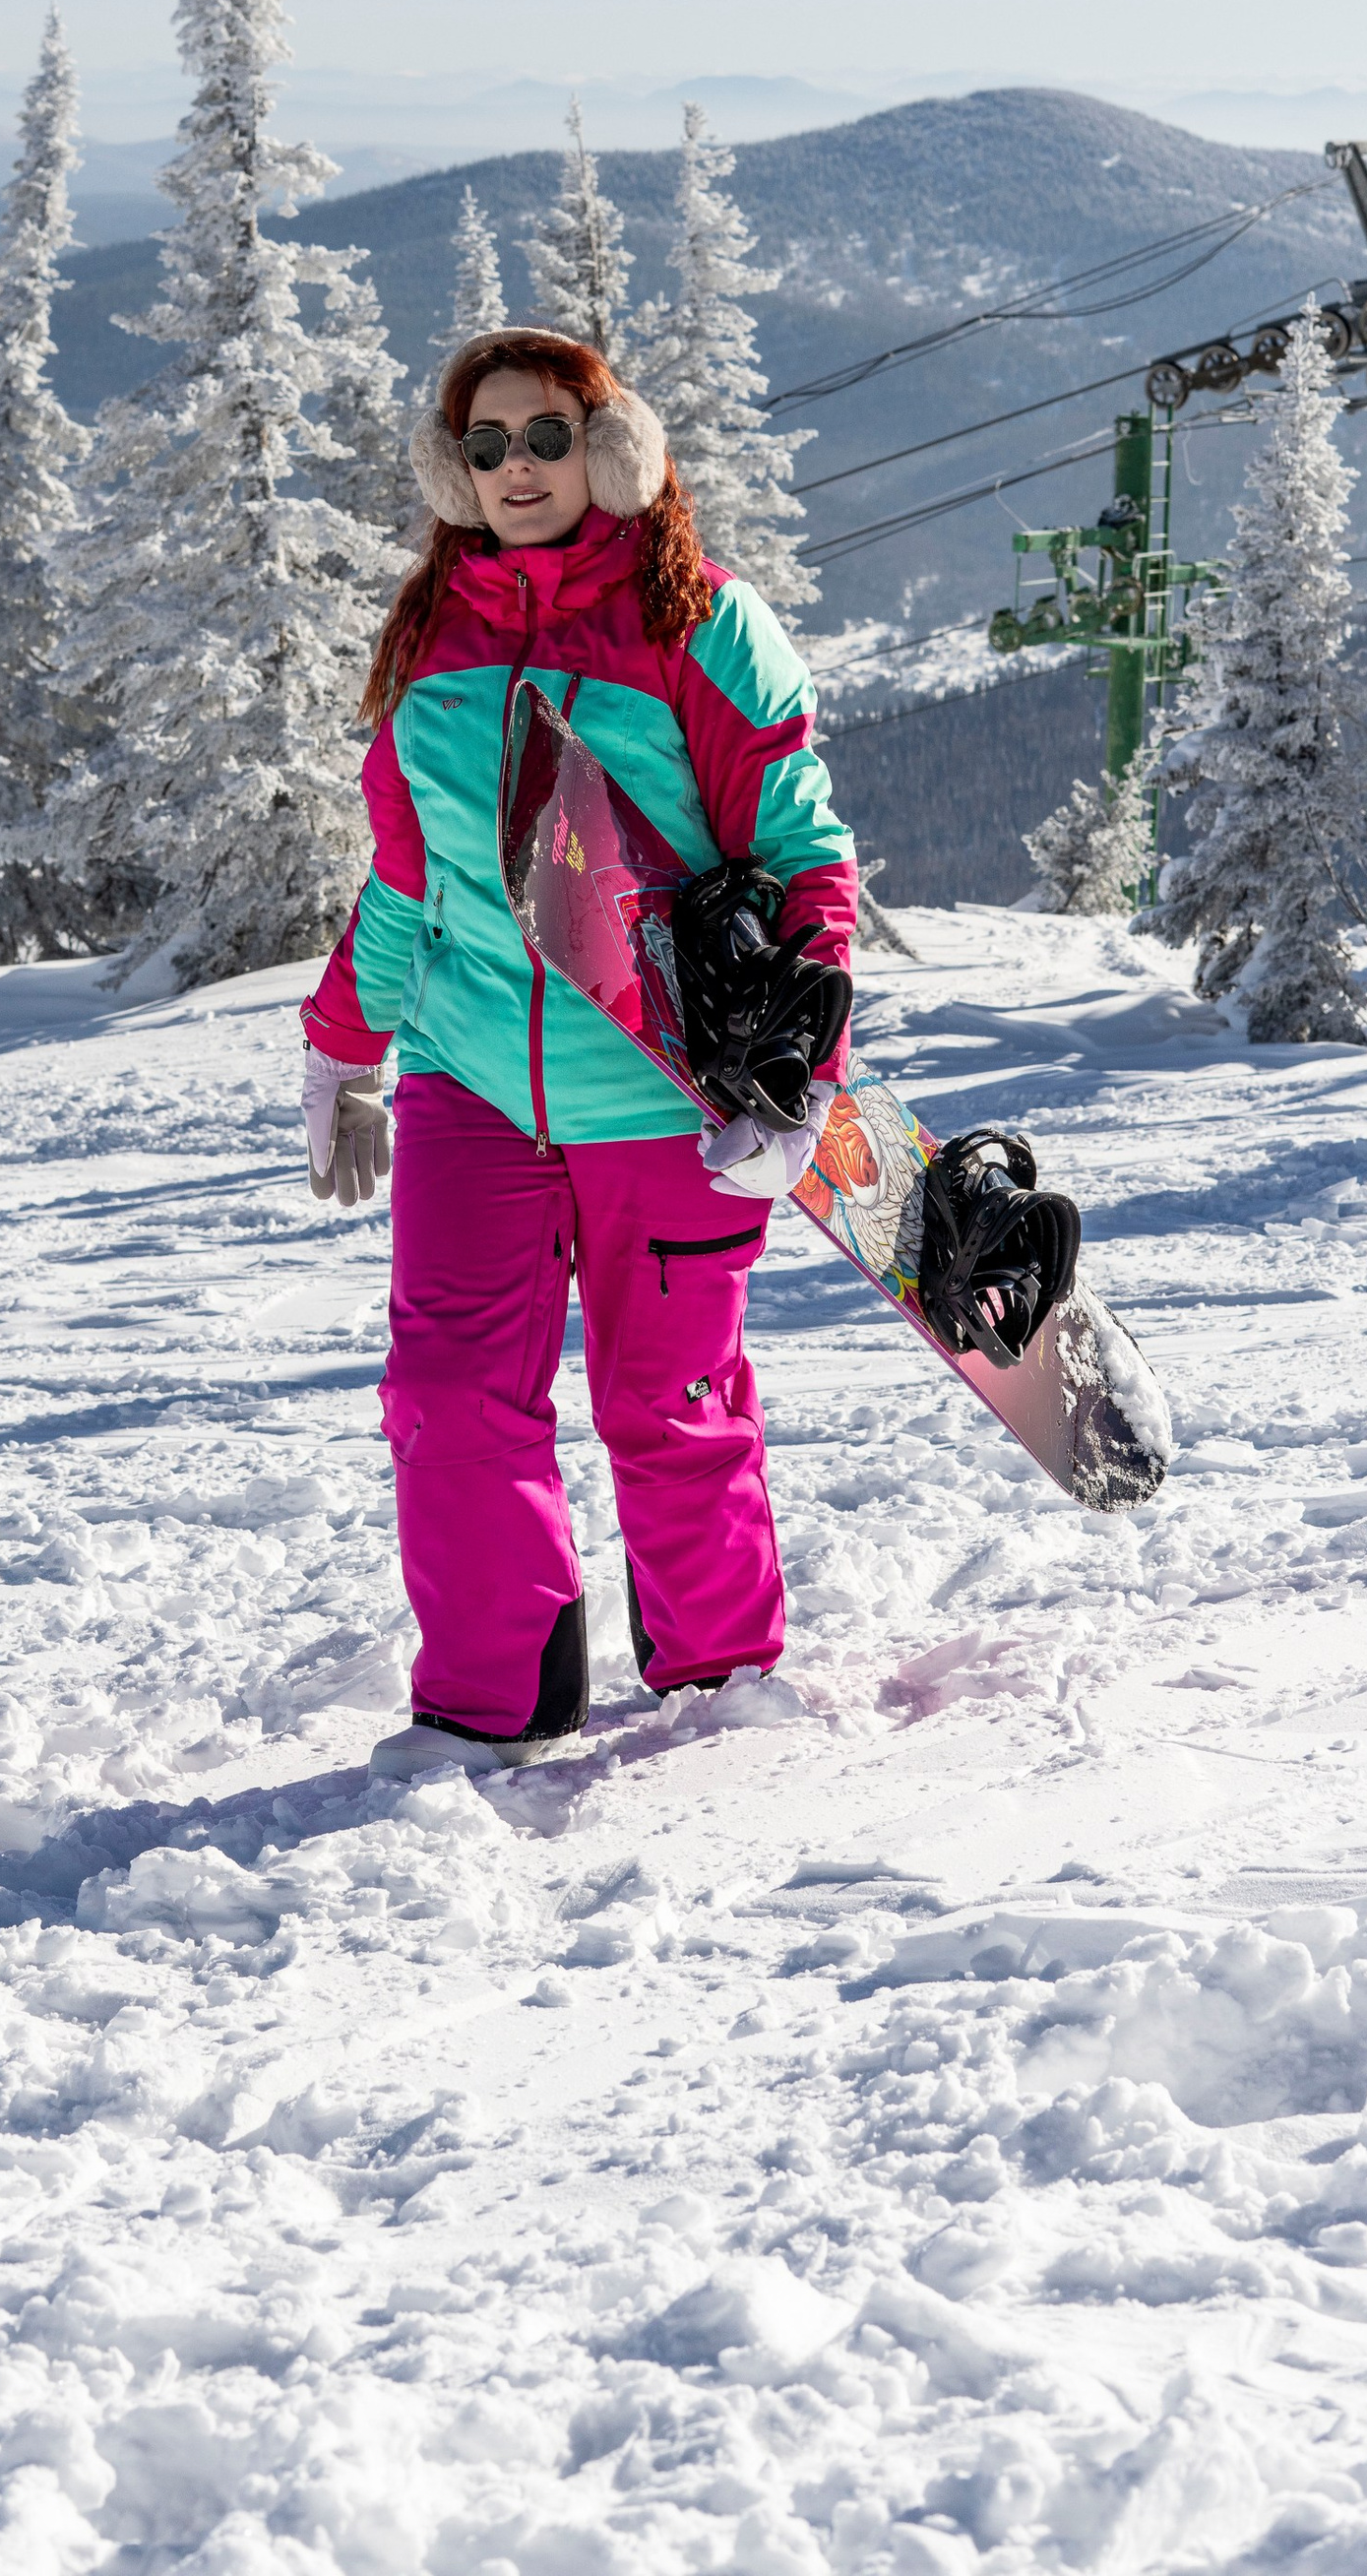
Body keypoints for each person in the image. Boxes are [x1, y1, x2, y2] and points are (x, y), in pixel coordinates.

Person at [298, 327, 857, 1777]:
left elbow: (799, 851)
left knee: (666, 1403)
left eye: (546, 437)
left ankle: (719, 1687)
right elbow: (407, 880)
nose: (518, 469)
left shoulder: (700, 624)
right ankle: (491, 1703)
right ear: (453, 471)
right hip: (471, 1083)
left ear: (610, 451)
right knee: (444, 1401)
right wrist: (341, 1049)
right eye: (484, 447)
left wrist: (803, 1060)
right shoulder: (431, 645)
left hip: (659, 1092)